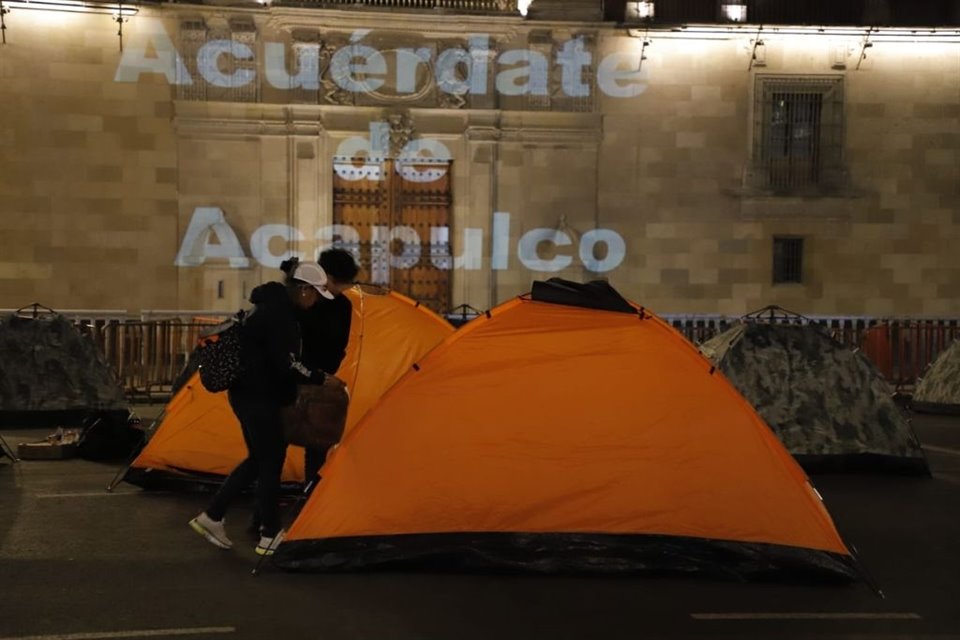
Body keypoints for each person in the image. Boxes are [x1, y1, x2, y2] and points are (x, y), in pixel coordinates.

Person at [188, 261, 333, 556]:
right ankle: (269, 534)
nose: (315, 300)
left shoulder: (266, 308)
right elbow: (288, 363)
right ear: (303, 289)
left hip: (245, 395)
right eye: (314, 294)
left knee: (259, 458)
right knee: (270, 461)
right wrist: (320, 378)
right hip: (260, 398)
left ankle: (213, 516)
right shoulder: (280, 316)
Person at [283, 249, 360, 488]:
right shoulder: (302, 299)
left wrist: (324, 374)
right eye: (337, 282)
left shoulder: (342, 305)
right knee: (279, 443)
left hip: (319, 381)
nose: (339, 289)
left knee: (316, 443)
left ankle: (309, 495)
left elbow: (339, 344)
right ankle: (267, 511)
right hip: (294, 380)